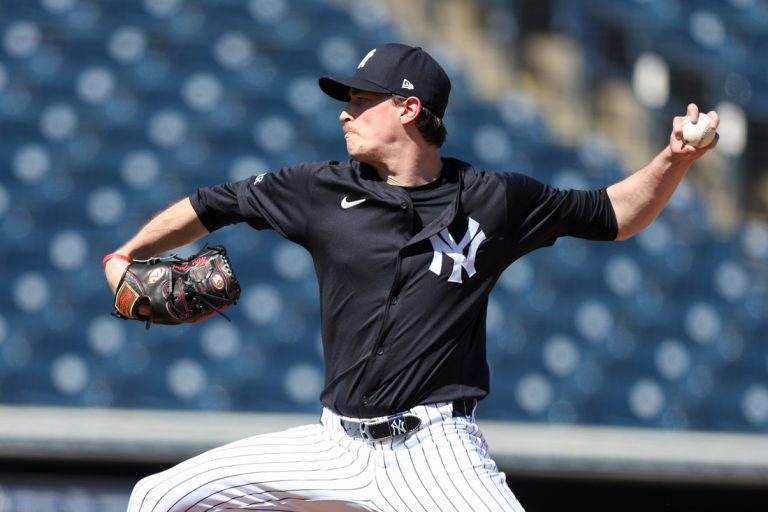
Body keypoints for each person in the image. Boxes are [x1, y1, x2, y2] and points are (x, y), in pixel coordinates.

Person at [104, 42, 719, 512]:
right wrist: (126, 254)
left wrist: (674, 158)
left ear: (408, 108)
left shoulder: (494, 199)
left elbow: (615, 214)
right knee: (158, 499)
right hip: (333, 443)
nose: (345, 114)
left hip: (434, 449)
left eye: (360, 100)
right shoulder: (319, 189)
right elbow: (213, 204)